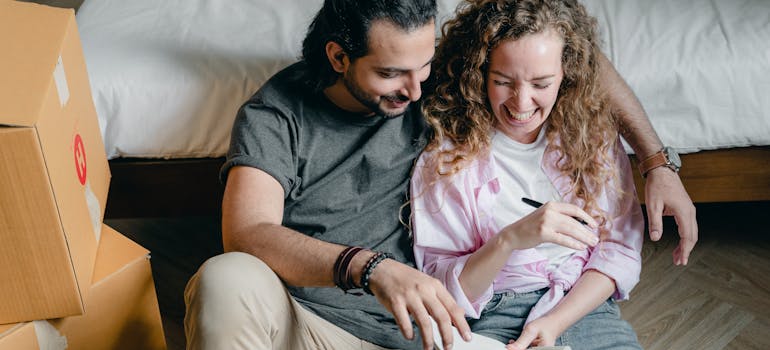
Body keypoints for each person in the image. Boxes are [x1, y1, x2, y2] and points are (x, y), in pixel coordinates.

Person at [183, 0, 696, 349]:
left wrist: (654, 161)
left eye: (424, 66)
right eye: (390, 74)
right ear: (338, 57)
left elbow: (564, 49)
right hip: (318, 322)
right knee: (226, 277)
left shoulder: (435, 74)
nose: (413, 91)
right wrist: (373, 269)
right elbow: (247, 234)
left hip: (434, 329)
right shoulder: (277, 115)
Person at [411, 0, 643, 348]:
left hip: (580, 306)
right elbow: (442, 290)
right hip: (491, 314)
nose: (521, 103)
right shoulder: (444, 160)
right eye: (503, 81)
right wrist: (510, 239)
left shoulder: (591, 137)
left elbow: (619, 249)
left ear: (567, 74)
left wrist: (552, 323)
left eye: (541, 83)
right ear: (479, 73)